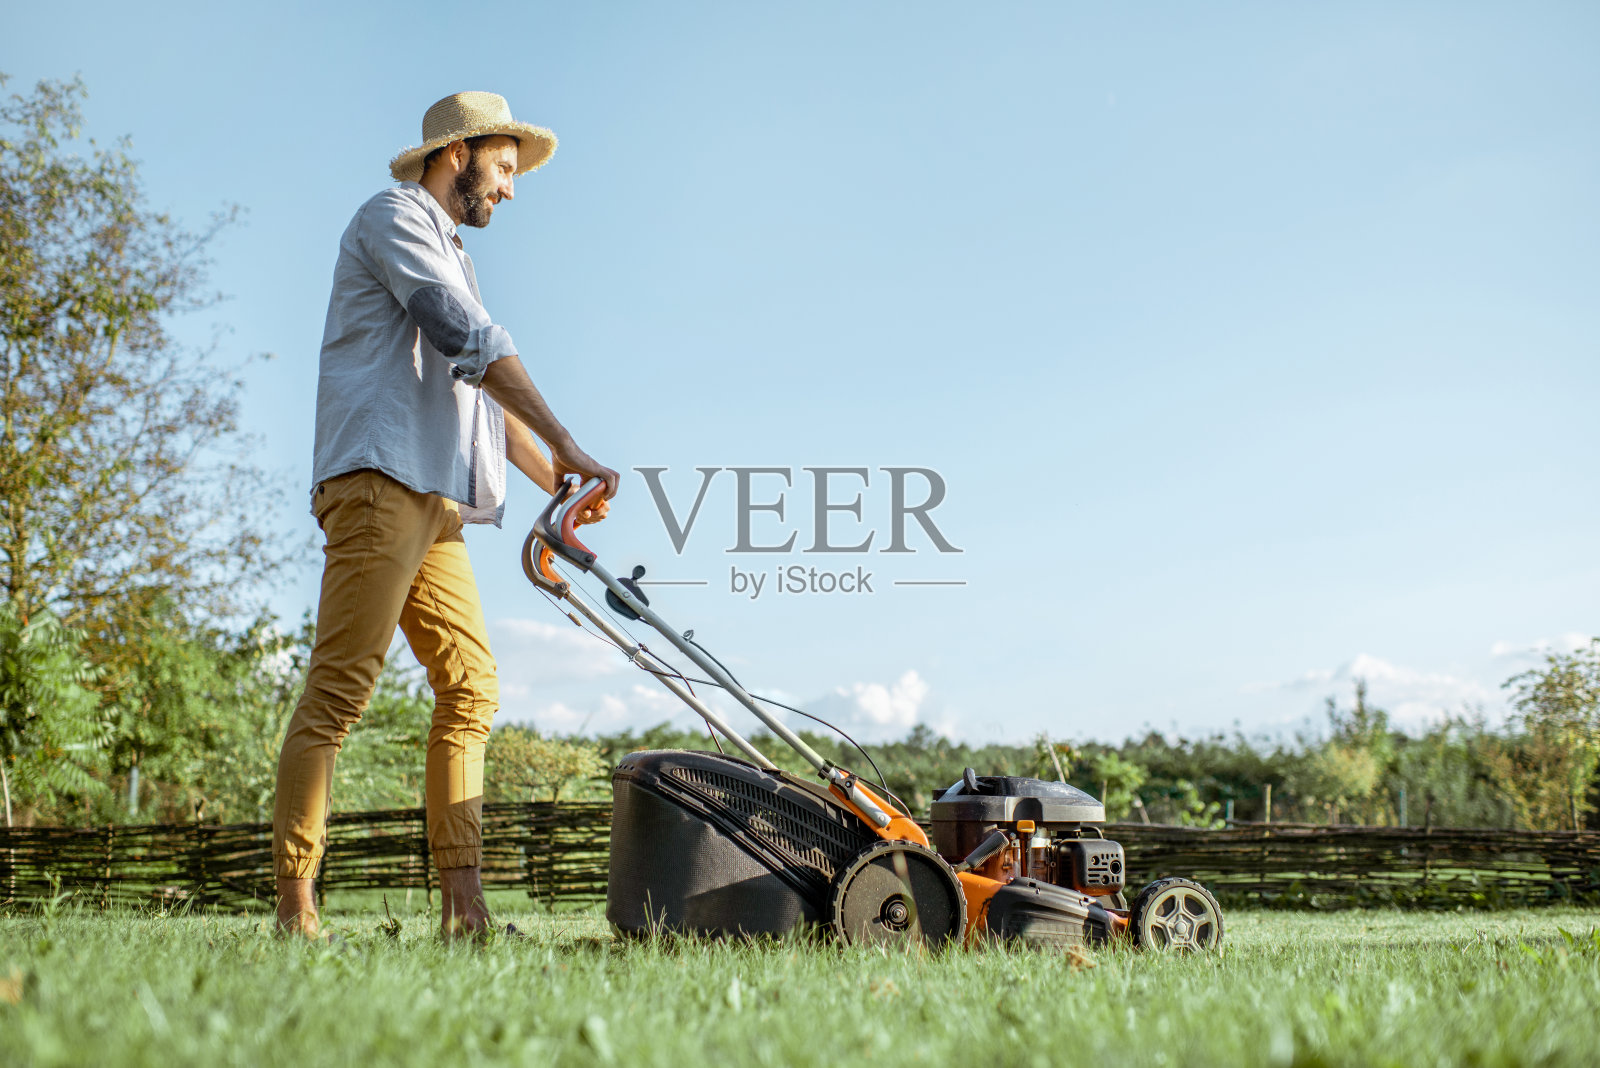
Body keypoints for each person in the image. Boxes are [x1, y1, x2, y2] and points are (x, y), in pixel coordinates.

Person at [272, 91, 618, 939]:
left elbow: (483, 399)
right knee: (341, 690)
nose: (510, 188)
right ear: (457, 154)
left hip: (434, 499)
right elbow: (467, 337)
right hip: (377, 479)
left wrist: (558, 478)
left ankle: (465, 914)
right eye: (503, 167)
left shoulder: (453, 249)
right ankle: (294, 908)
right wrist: (567, 439)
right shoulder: (393, 218)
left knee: (471, 686)